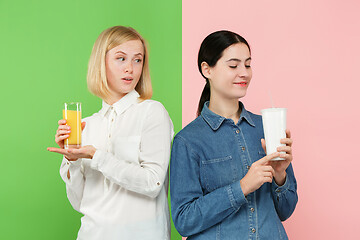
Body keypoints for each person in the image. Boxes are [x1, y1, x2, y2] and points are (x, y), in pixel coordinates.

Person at [47, 26, 173, 240]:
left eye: (138, 60)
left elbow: (153, 183)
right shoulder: (86, 125)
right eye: (121, 58)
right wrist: (72, 159)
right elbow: (79, 202)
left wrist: (97, 156)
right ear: (101, 63)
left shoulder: (152, 112)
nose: (130, 69)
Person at [170, 30, 298, 239]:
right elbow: (184, 221)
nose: (244, 73)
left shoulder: (266, 127)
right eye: (233, 65)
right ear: (206, 69)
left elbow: (286, 211)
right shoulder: (187, 141)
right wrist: (242, 187)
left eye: (247, 64)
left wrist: (280, 175)